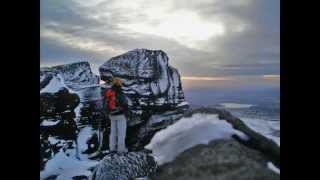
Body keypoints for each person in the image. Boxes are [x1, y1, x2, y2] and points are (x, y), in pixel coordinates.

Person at [105, 77, 129, 153]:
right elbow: (125, 104)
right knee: (121, 133)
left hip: (112, 115)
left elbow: (106, 103)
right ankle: (121, 150)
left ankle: (112, 148)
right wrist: (127, 113)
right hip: (120, 115)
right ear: (119, 83)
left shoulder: (109, 91)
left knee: (113, 133)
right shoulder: (120, 92)